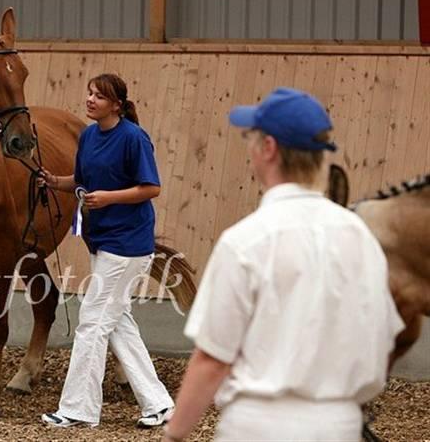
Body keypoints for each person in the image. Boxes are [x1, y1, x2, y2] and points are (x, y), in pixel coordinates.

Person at [162, 87, 405, 442]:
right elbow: (383, 336)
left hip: (260, 424)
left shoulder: (245, 241)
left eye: (251, 139)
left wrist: (176, 434)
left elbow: (213, 359)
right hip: (339, 423)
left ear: (269, 148)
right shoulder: (360, 236)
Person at [38, 73, 174, 428]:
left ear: (117, 104)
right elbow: (81, 181)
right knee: (117, 324)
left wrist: (109, 198)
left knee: (92, 322)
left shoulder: (133, 138)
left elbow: (151, 187)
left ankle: (78, 410)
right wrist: (55, 181)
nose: (90, 99)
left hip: (128, 245)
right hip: (100, 241)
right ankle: (158, 404)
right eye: (89, 93)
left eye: (99, 96)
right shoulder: (88, 136)